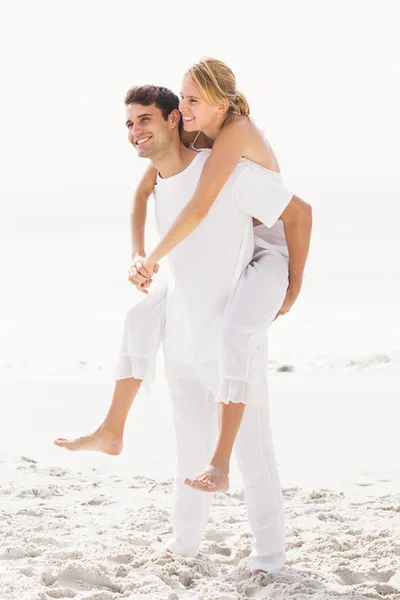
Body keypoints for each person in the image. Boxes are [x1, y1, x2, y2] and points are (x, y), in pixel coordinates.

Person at [58, 84, 311, 574]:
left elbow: (298, 212)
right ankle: (185, 544)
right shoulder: (155, 178)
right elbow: (146, 211)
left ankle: (269, 557)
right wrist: (138, 256)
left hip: (230, 334)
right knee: (188, 447)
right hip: (181, 332)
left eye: (145, 120)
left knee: (253, 455)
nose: (135, 132)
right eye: (129, 123)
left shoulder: (227, 174)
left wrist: (293, 285)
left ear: (175, 119)